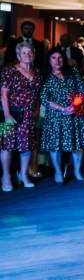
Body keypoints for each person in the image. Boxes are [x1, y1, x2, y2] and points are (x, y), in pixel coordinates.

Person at [40, 47, 84, 183]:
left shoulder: (72, 72)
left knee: (77, 144)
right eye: (54, 58)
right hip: (55, 116)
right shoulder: (45, 75)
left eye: (60, 57)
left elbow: (83, 91)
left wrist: (73, 105)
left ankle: (78, 171)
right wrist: (62, 109)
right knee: (56, 145)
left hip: (75, 113)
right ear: (49, 61)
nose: (57, 60)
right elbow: (44, 98)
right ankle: (58, 173)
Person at [0, 42, 42, 191]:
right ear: (18, 56)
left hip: (29, 115)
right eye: (24, 53)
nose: (27, 55)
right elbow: (3, 95)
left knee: (27, 145)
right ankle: (6, 176)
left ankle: (23, 175)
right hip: (11, 113)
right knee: (7, 146)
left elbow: (37, 95)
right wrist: (7, 115)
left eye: (30, 52)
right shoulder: (9, 71)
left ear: (34, 55)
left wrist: (36, 112)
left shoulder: (36, 72)